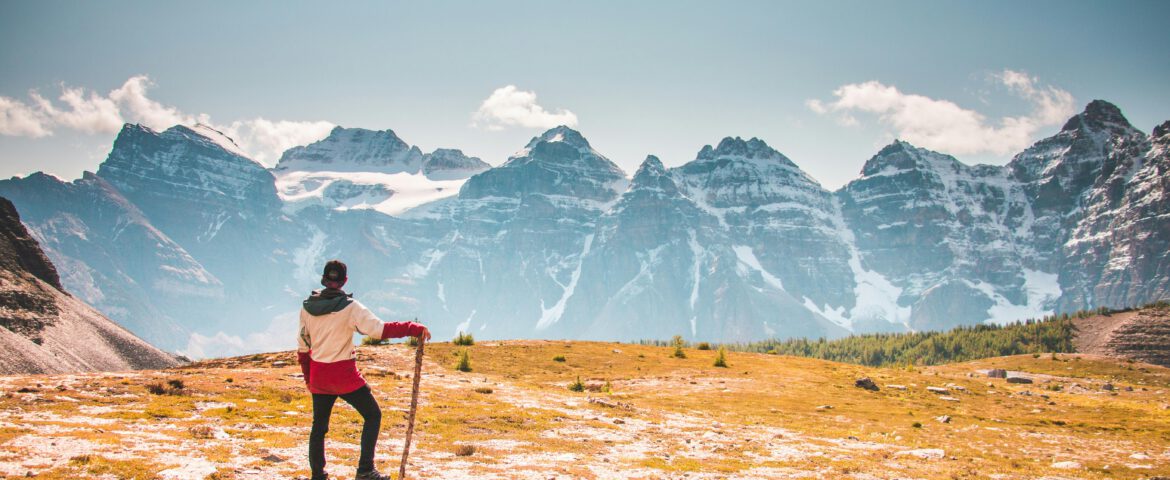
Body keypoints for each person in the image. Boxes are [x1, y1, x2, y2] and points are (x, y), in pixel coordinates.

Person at [297, 259, 431, 480]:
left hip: (319, 375)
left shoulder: (307, 307)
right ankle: (365, 470)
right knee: (372, 415)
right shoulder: (350, 307)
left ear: (323, 278)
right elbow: (379, 330)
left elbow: (303, 347)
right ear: (344, 281)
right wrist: (413, 328)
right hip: (344, 376)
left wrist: (308, 378)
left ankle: (317, 475)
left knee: (319, 426)